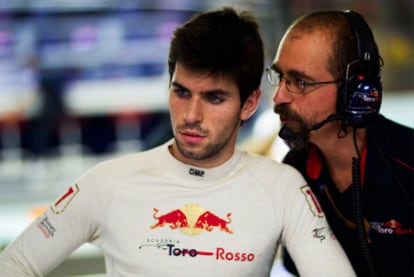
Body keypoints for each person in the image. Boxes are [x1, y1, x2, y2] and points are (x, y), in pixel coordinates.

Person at [0, 7, 355, 276]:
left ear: (249, 103)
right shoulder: (108, 183)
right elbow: (15, 263)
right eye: (181, 92)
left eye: (214, 98)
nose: (190, 115)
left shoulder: (282, 188)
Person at [267, 9, 414, 277]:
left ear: (353, 91)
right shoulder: (294, 171)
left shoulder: (408, 164)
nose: (279, 97)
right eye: (280, 77)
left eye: (299, 82)